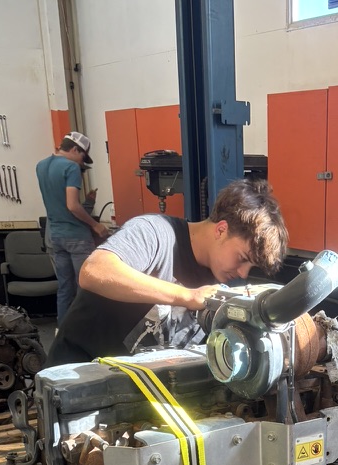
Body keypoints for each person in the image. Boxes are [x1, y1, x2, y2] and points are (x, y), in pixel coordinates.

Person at [46, 177, 288, 367]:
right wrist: (187, 297)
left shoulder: (217, 280)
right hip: (74, 381)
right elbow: (93, 270)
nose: (243, 273)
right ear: (221, 230)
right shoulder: (155, 233)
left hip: (126, 400)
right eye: (242, 258)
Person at [36, 132, 109, 323]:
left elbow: (60, 205)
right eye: (83, 157)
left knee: (65, 287)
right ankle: (86, 331)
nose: (81, 163)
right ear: (76, 149)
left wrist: (89, 202)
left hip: (56, 237)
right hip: (76, 237)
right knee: (86, 286)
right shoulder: (71, 167)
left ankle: (62, 329)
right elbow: (72, 206)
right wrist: (96, 225)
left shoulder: (41, 166)